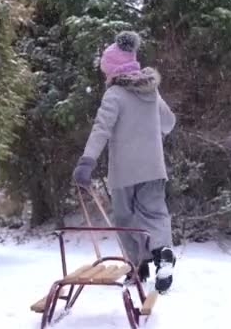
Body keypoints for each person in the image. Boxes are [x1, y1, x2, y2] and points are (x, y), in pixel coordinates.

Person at [72, 31, 177, 293]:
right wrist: (148, 128)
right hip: (153, 168)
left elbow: (101, 129)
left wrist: (87, 161)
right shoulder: (151, 92)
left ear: (113, 70)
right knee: (155, 213)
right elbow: (169, 123)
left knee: (125, 217)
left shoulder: (115, 94)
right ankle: (162, 253)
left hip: (125, 172)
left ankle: (137, 263)